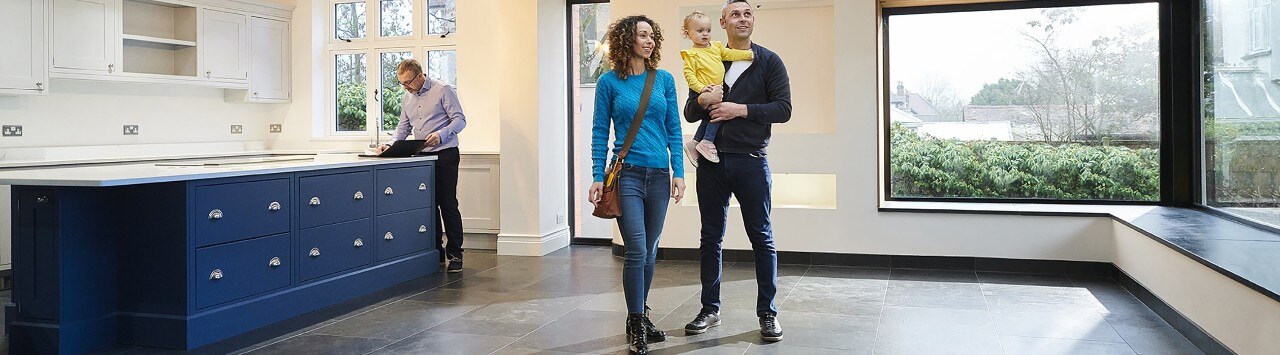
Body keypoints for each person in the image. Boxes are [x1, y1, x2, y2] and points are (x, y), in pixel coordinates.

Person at [681, 0, 791, 343]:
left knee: (762, 238)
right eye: (735, 15)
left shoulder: (769, 61)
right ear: (723, 23)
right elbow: (689, 111)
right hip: (711, 163)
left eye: (747, 14)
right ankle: (709, 309)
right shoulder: (706, 56)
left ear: (753, 21)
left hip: (751, 160)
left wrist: (738, 109)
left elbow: (784, 109)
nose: (742, 19)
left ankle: (767, 314)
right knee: (710, 238)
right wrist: (702, 102)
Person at [588, 15, 685, 355]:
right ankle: (636, 322)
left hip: (659, 175)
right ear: (626, 40)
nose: (649, 41)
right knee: (638, 250)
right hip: (627, 174)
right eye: (642, 35)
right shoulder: (608, 83)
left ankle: (639, 317)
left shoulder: (664, 80)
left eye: (652, 36)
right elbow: (600, 131)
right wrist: (598, 176)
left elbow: (674, 127)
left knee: (651, 251)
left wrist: (679, 172)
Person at [378, 58, 468, 274]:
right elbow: (403, 128)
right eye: (402, 83)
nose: (406, 87)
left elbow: (460, 120)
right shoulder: (407, 98)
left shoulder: (442, 90)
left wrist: (441, 134)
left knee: (447, 204)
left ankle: (455, 254)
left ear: (420, 76)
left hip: (445, 154)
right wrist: (389, 145)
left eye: (408, 82)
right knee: (428, 206)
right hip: (421, 159)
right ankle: (434, 251)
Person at [679, 10, 754, 166]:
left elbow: (730, 54)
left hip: (717, 88)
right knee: (718, 114)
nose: (705, 34)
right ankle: (706, 141)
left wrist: (747, 55)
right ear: (688, 34)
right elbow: (689, 76)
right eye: (700, 31)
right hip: (707, 89)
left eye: (708, 30)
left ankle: (695, 142)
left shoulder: (716, 47)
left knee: (710, 116)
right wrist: (701, 89)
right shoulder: (691, 54)